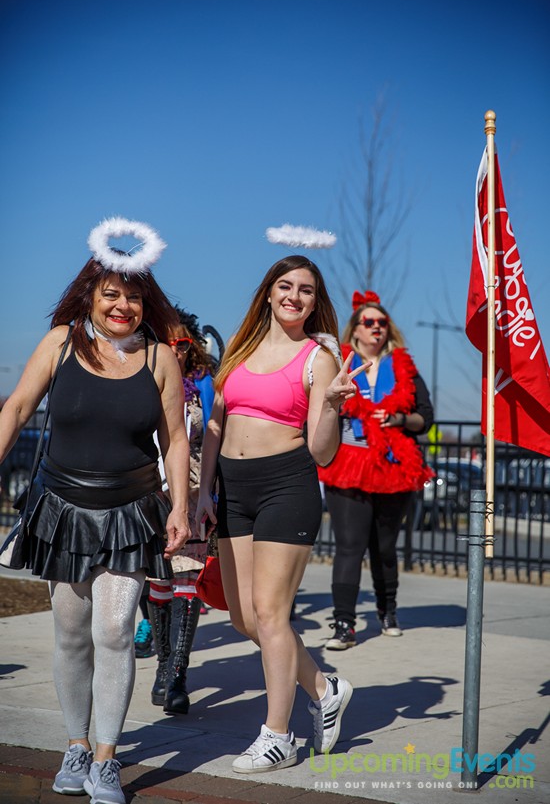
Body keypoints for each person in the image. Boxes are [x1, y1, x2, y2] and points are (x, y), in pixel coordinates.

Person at [0, 218, 191, 804]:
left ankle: (106, 759)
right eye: (111, 294)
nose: (122, 306)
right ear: (90, 296)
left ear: (146, 304)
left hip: (131, 509)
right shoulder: (59, 343)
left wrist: (181, 506)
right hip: (62, 508)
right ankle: (76, 745)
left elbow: (176, 439)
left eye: (134, 297)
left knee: (113, 630)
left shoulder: (161, 358)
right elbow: (16, 409)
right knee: (70, 632)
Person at [196, 254, 368, 774]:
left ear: (315, 302)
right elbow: (216, 426)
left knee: (271, 613)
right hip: (234, 490)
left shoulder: (319, 358)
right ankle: (324, 688)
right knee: (245, 618)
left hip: (286, 487)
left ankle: (278, 737)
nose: (295, 296)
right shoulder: (239, 347)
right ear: (269, 292)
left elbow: (321, 452)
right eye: (286, 286)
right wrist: (204, 492)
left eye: (306, 290)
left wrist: (332, 403)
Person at [318, 289, 434, 649]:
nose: (376, 327)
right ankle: (344, 624)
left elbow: (425, 417)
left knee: (384, 547)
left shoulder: (402, 365)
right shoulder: (338, 362)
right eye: (368, 321)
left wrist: (400, 419)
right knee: (349, 547)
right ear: (355, 328)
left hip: (392, 464)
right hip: (348, 462)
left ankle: (388, 612)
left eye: (382, 322)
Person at [148, 307, 215, 715]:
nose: (176, 350)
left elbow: (217, 438)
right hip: (148, 493)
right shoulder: (140, 379)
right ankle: (161, 666)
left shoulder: (204, 385)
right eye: (167, 342)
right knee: (158, 580)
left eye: (184, 343)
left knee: (188, 580)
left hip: (191, 494)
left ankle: (176, 675)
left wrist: (208, 493)